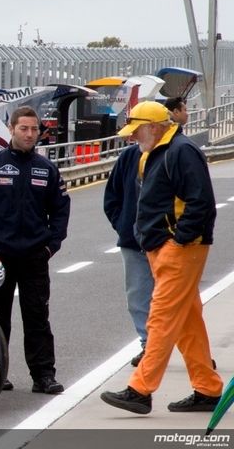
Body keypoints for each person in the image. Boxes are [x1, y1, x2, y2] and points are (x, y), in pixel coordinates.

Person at [100, 100, 222, 414]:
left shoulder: (181, 151)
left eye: (136, 130)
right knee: (187, 322)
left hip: (180, 249)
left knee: (161, 318)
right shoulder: (153, 151)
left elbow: (201, 201)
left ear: (154, 128)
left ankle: (140, 390)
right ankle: (207, 388)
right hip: (163, 247)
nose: (131, 137)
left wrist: (179, 239)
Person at [0, 105, 70, 395]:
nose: (30, 134)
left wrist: (51, 246)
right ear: (11, 129)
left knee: (37, 318)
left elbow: (61, 210)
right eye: (24, 128)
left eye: (34, 129)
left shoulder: (47, 169)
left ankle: (44, 376)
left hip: (35, 257)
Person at [103, 141, 152, 367]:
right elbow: (112, 196)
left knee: (179, 301)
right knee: (138, 298)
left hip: (170, 243)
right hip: (134, 244)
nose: (132, 135)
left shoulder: (177, 152)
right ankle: (148, 346)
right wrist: (124, 226)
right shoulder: (130, 156)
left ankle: (195, 354)